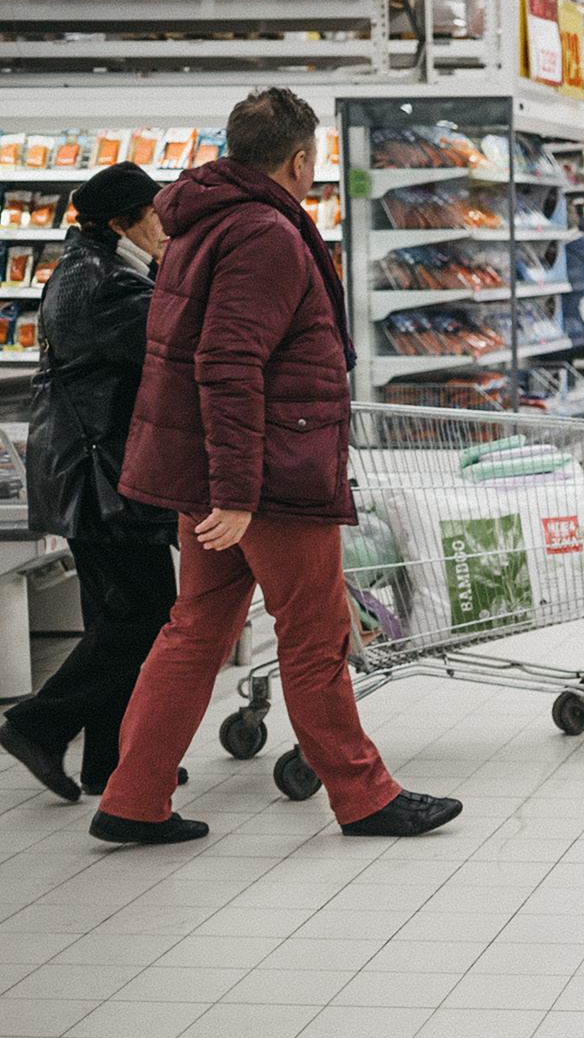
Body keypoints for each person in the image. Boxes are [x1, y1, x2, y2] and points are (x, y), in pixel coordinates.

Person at [92, 87, 461, 845]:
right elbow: (228, 362)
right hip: (266, 477)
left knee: (194, 629)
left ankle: (132, 797)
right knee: (315, 633)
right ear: (299, 161)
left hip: (218, 473)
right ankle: (364, 795)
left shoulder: (202, 224)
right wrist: (238, 491)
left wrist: (220, 487)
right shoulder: (264, 233)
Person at [0, 163, 179, 802]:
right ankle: (36, 724)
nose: (167, 224)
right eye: (157, 213)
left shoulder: (99, 268)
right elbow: (171, 344)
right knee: (147, 615)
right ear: (119, 222)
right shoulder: (104, 285)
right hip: (100, 477)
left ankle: (109, 759)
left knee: (116, 616)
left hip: (92, 471)